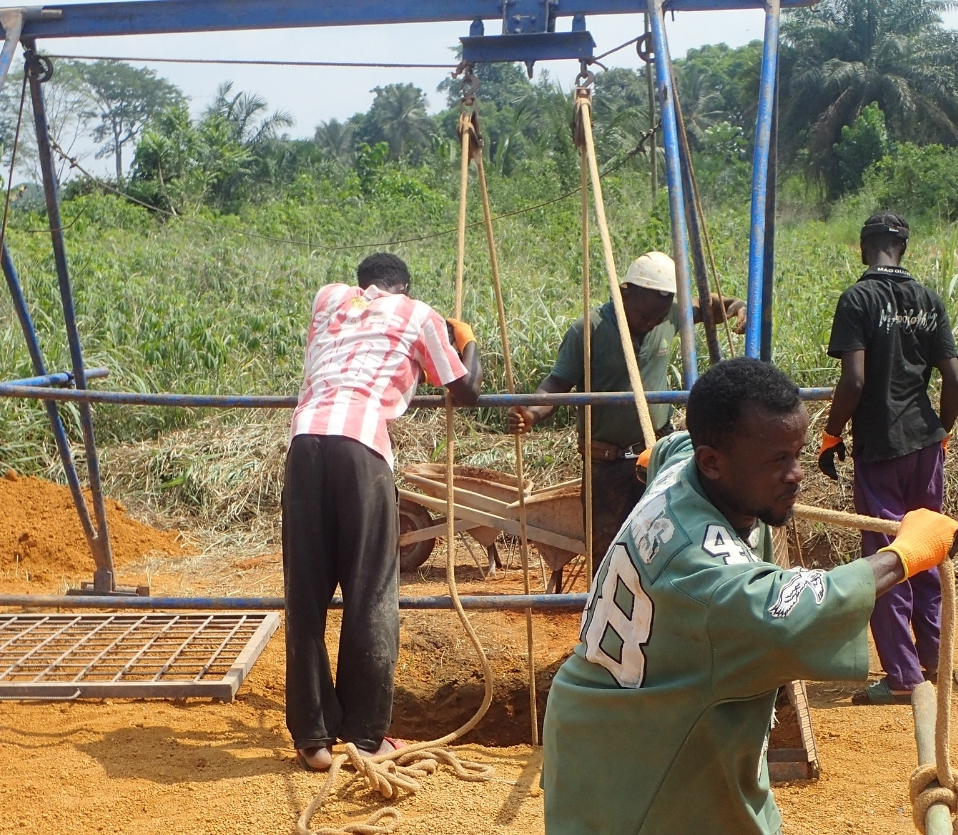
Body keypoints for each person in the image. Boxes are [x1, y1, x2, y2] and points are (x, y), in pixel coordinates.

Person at [541, 359, 958, 835]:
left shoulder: (684, 467)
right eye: (776, 462)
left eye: (796, 455)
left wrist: (656, 454)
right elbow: (811, 606)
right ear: (717, 461)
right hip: (632, 758)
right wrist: (905, 555)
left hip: (692, 736)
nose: (795, 475)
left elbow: (667, 447)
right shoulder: (707, 571)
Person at [284, 252, 481, 771]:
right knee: (371, 592)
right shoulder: (419, 314)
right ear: (405, 286)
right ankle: (366, 737)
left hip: (304, 444)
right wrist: (466, 341)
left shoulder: (328, 299)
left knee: (305, 594)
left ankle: (313, 738)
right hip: (361, 447)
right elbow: (467, 392)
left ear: (362, 284)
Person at [506, 252, 746, 570]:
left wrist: (738, 308)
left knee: (667, 550)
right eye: (644, 316)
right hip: (608, 466)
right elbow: (557, 383)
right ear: (624, 293)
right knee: (608, 559)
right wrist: (532, 413)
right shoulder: (588, 330)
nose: (650, 324)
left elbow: (716, 305)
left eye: (657, 318)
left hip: (658, 456)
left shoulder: (671, 315)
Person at [819, 212, 958, 706]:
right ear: (902, 248)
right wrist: (942, 433)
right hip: (925, 445)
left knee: (887, 558)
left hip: (880, 448)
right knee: (926, 548)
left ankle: (903, 677)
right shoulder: (928, 299)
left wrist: (831, 434)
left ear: (866, 247)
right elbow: (955, 378)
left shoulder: (858, 299)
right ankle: (935, 663)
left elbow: (854, 382)